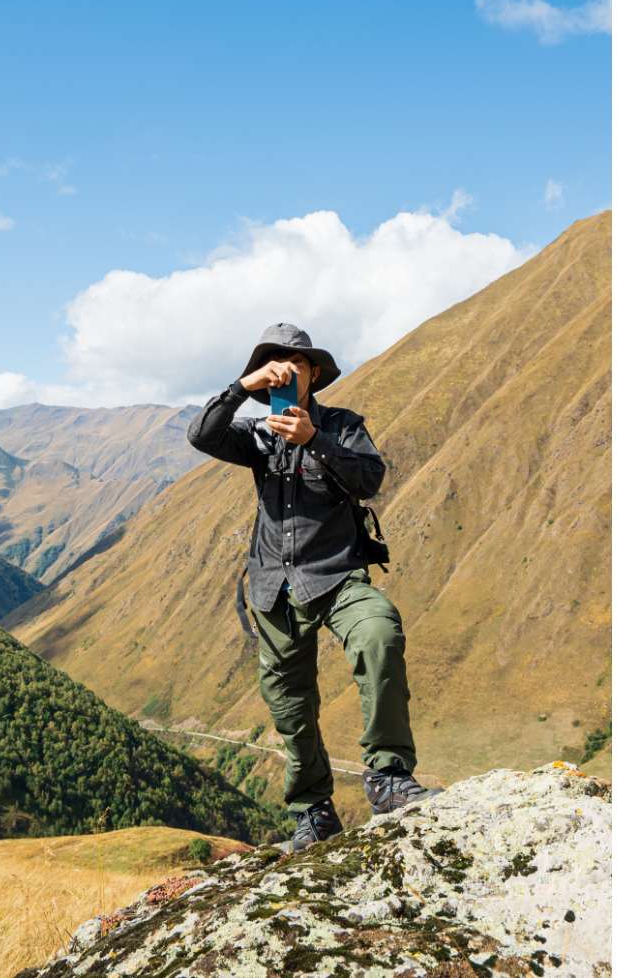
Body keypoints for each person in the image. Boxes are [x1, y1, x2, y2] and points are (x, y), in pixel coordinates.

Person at [188, 322, 434, 853]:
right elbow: (202, 435)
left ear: (314, 373)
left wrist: (314, 441)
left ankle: (389, 776)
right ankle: (313, 812)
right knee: (289, 702)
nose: (284, 371)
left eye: (295, 363)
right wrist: (243, 387)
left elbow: (370, 479)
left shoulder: (343, 426)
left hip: (338, 574)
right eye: (273, 364)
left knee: (378, 634)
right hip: (273, 585)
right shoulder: (257, 434)